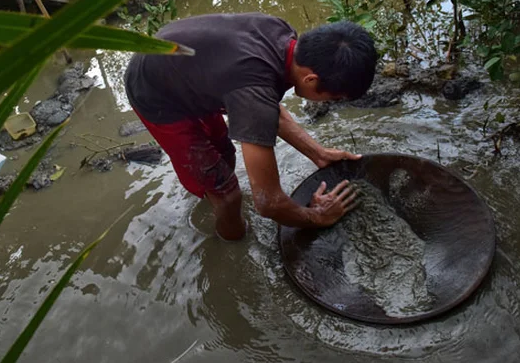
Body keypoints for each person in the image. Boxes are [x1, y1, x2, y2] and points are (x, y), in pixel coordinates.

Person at [124, 13, 378, 241]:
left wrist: (318, 153)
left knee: (224, 155)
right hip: (156, 92)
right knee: (229, 195)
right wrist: (318, 216)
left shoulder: (284, 36)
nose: (330, 103)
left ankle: (211, 191)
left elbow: (265, 109)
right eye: (333, 98)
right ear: (311, 79)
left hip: (187, 69)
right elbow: (268, 204)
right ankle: (231, 239)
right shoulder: (254, 88)